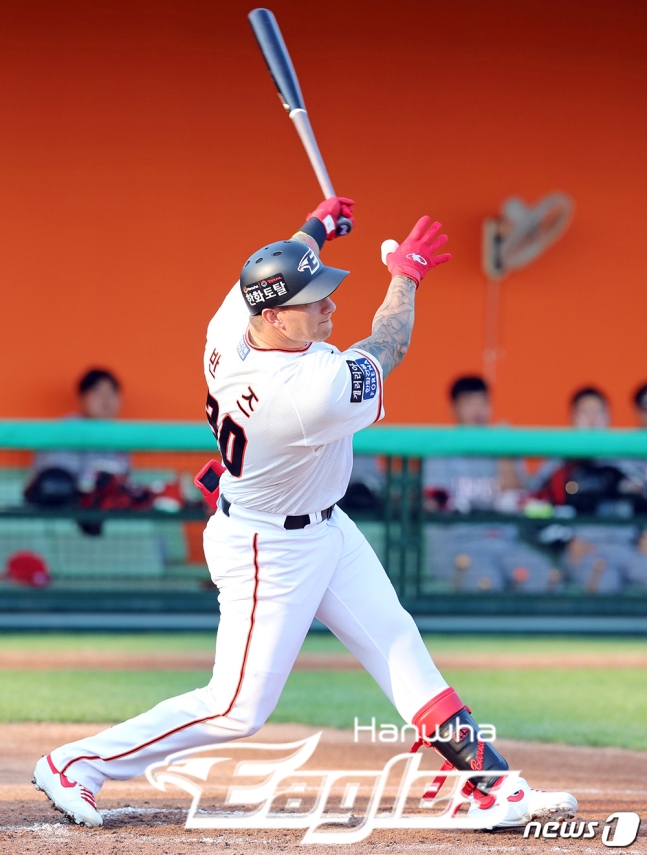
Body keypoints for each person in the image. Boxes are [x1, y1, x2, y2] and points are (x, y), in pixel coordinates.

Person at [33, 198, 576, 830]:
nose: (329, 306)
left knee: (397, 640)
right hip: (268, 547)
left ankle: (488, 783)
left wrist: (317, 227)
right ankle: (77, 763)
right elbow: (389, 344)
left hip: (323, 525)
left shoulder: (230, 326)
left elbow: (272, 270)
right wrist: (406, 274)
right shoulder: (309, 391)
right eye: (312, 300)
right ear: (273, 316)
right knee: (237, 708)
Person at [423, 376, 558, 592]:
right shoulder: (440, 452)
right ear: (454, 408)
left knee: (545, 580)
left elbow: (520, 501)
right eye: (469, 402)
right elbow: (436, 504)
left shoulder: (504, 448)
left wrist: (504, 452)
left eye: (483, 402)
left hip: (506, 545)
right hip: (459, 546)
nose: (478, 410)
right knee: (487, 584)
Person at [532, 387, 641, 593]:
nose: (592, 421)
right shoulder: (558, 466)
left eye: (598, 413)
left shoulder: (626, 464)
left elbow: (642, 502)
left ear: (609, 418)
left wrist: (644, 533)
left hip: (628, 549)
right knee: (603, 586)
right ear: (572, 419)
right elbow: (533, 511)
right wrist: (566, 541)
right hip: (587, 550)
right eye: (585, 413)